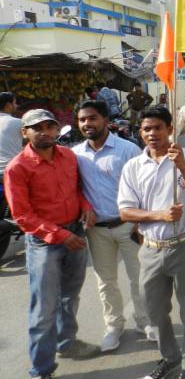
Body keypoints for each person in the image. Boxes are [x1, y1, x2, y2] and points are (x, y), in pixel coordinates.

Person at [4, 109, 100, 379]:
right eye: (37, 127)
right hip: (45, 243)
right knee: (44, 308)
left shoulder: (68, 156)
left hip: (75, 233)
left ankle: (67, 344)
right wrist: (60, 235)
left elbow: (78, 190)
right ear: (25, 133)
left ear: (58, 130)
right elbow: (23, 216)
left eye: (50, 126)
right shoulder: (17, 168)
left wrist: (86, 206)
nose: (45, 131)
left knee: (70, 296)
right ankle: (41, 370)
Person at [118, 107, 185, 379]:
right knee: (154, 311)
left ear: (170, 129)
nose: (152, 133)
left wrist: (182, 166)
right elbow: (125, 212)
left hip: (184, 245)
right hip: (151, 249)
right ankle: (170, 357)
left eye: (158, 127)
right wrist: (158, 214)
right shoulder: (133, 167)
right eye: (147, 129)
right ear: (140, 133)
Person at [72, 100, 157, 352]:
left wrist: (142, 222)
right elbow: (74, 189)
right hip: (97, 230)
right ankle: (114, 326)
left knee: (140, 277)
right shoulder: (75, 154)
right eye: (83, 120)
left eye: (93, 118)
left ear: (106, 121)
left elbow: (144, 186)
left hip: (129, 226)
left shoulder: (127, 149)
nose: (88, 123)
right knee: (105, 281)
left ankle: (146, 321)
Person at [0, 92, 22, 203]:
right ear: (8, 105)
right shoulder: (18, 123)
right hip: (11, 171)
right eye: (15, 103)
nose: (17, 106)